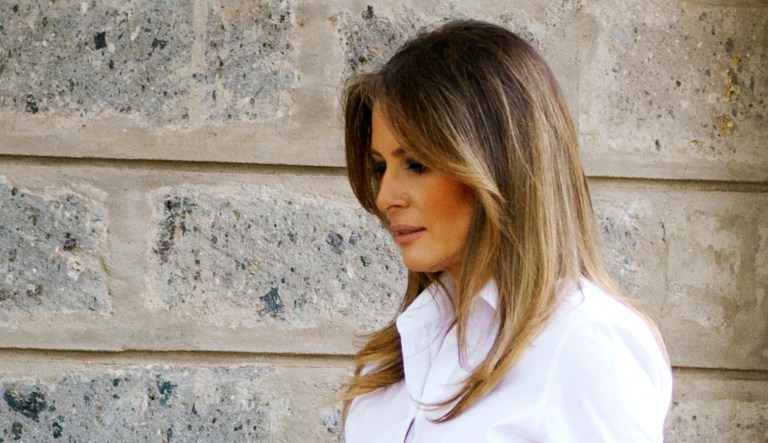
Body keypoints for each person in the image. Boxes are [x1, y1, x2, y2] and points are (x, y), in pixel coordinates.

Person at [340, 20, 672, 442]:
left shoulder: (585, 342)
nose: (386, 197)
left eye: (417, 164)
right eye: (379, 167)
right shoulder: (394, 358)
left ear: (498, 166)